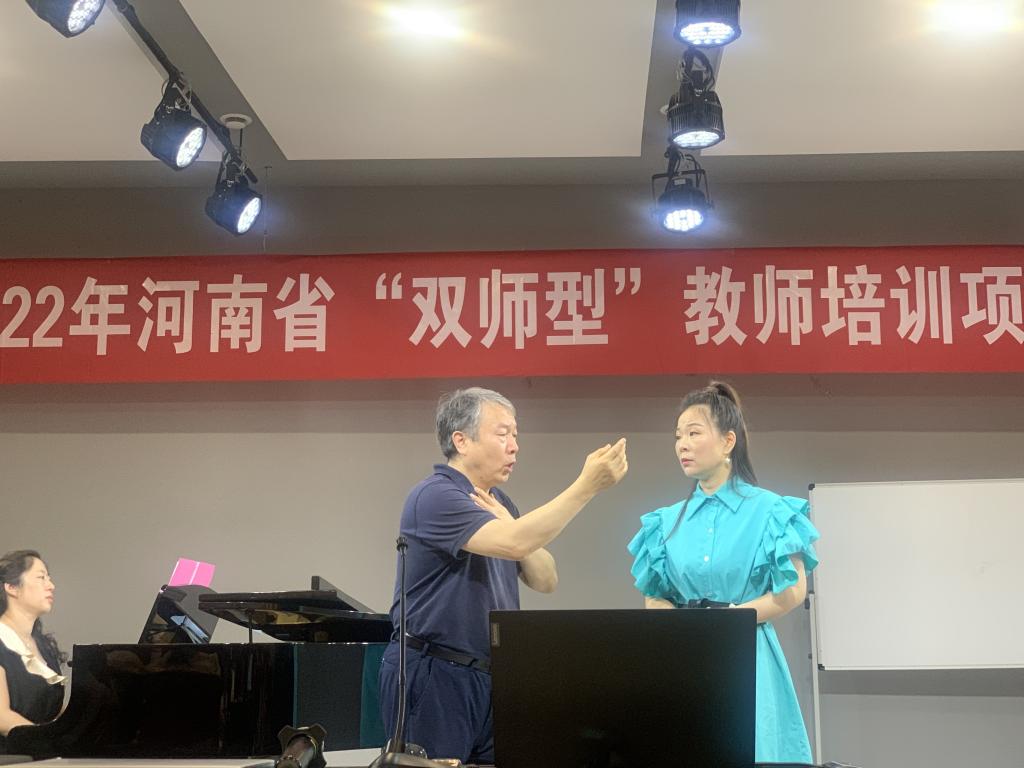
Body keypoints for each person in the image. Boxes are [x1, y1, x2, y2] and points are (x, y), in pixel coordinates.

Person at [379, 387, 628, 764]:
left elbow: (546, 579)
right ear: (461, 441)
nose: (514, 446)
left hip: (490, 675)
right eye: (502, 434)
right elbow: (515, 543)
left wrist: (512, 525)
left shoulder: (498, 502)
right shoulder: (435, 495)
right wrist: (586, 486)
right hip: (436, 673)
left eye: (515, 434)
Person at [627, 382, 819, 764]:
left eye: (694, 433)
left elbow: (793, 591)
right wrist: (679, 629)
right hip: (683, 659)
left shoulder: (772, 511)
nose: (682, 445)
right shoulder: (664, 522)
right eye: (678, 436)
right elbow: (654, 594)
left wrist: (730, 623)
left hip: (747, 656)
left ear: (728, 441)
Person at [0, 550, 65, 753]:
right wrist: (49, 744)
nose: (51, 585)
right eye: (41, 577)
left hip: (39, 753)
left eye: (49, 578)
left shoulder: (44, 646)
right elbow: (2, 717)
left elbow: (52, 713)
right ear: (11, 587)